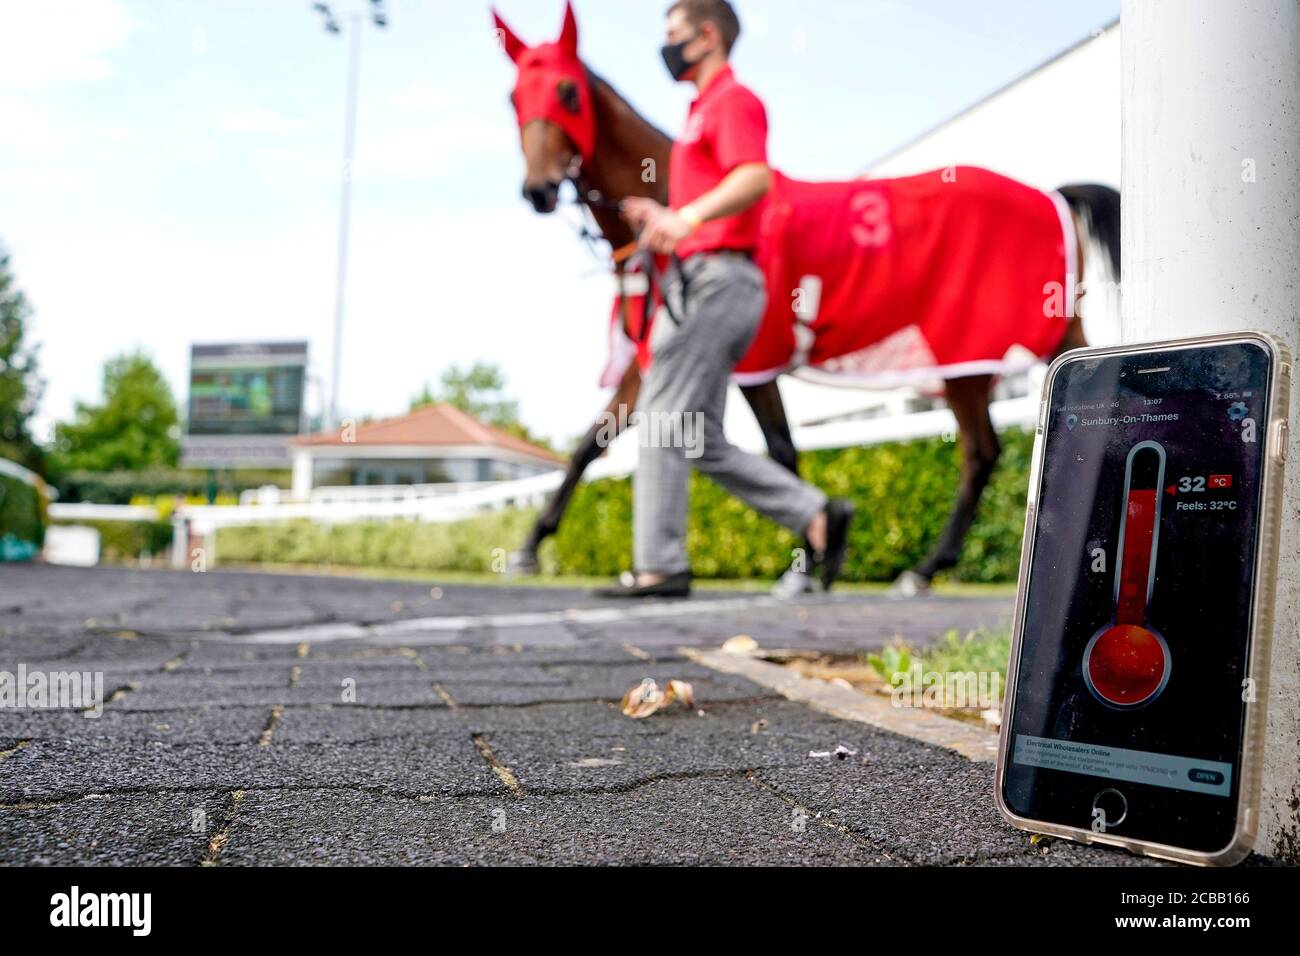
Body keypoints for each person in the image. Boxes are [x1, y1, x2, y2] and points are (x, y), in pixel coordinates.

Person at [601, 0, 853, 598]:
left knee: (662, 418)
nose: (666, 48)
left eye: (674, 35)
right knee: (693, 432)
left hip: (719, 282)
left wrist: (685, 218)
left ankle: (660, 566)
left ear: (706, 36)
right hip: (705, 280)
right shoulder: (698, 113)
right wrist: (663, 217)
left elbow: (754, 177)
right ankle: (816, 515)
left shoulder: (731, 101)